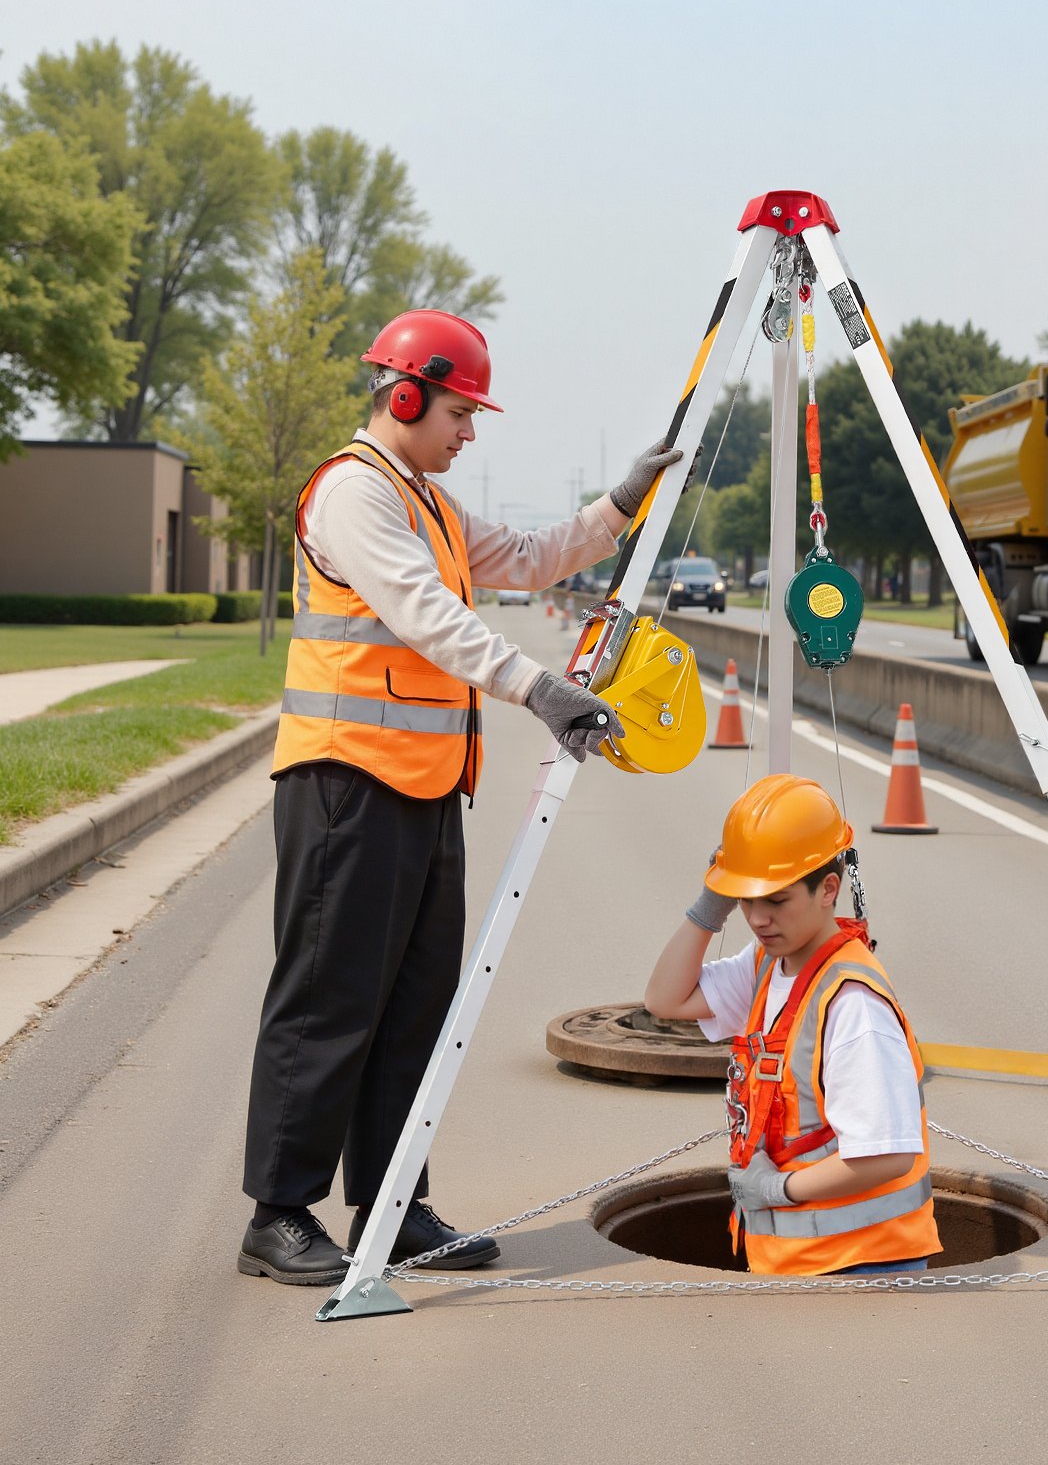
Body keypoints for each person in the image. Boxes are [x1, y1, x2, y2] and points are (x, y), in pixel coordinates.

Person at [238, 307, 682, 1287]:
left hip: (425, 789)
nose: (470, 432)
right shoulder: (356, 494)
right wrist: (541, 688)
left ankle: (392, 1208)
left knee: (410, 1011)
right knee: (328, 1000)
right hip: (344, 783)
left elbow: (530, 557)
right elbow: (428, 615)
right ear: (406, 396)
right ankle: (277, 1213)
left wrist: (618, 503)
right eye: (459, 412)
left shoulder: (426, 500)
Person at [644, 775, 941, 1276]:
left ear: (828, 889)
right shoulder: (766, 964)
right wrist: (712, 903)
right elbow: (665, 998)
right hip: (796, 1262)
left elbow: (886, 1155)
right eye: (746, 899)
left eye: (776, 900)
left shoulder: (852, 1005)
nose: (758, 918)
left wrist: (777, 1190)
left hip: (860, 1268)